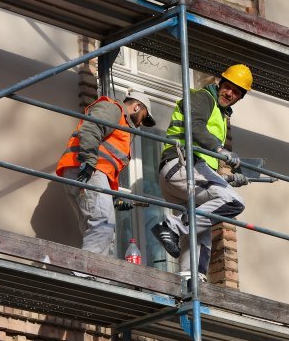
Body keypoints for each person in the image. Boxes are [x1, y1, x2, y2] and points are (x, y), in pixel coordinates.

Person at [151, 64, 253, 283]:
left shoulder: (221, 114)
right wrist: (219, 149)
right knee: (233, 202)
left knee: (200, 230)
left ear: (240, 97)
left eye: (236, 92)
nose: (230, 93)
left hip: (189, 171)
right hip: (181, 164)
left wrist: (230, 177)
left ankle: (191, 278)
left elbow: (205, 166)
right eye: (228, 87)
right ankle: (170, 226)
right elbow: (195, 127)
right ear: (220, 83)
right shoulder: (203, 97)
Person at [56, 91, 156, 258]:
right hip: (88, 170)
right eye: (143, 117)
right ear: (137, 107)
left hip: (86, 171)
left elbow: (108, 163)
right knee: (102, 226)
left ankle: (94, 275)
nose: (140, 125)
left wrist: (114, 198)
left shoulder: (122, 126)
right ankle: (85, 274)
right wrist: (89, 162)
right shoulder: (113, 108)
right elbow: (91, 128)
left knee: (98, 229)